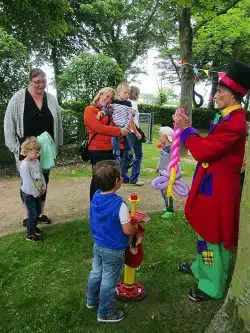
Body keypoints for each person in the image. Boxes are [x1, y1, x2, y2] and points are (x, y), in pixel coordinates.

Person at [176, 61, 250, 301]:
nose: (215, 94)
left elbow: (205, 152)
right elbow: (210, 145)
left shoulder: (235, 121)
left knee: (213, 237)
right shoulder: (228, 116)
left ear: (234, 95)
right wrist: (189, 131)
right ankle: (201, 268)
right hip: (213, 184)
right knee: (205, 233)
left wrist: (186, 130)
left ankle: (212, 285)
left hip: (219, 189)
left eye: (220, 91)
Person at [4, 68, 63, 226]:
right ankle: (27, 214)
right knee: (27, 182)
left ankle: (41, 212)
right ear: (30, 81)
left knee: (43, 180)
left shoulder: (50, 98)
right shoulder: (18, 98)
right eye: (37, 82)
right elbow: (9, 123)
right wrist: (15, 147)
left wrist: (59, 144)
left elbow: (58, 123)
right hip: (27, 149)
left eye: (44, 81)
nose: (41, 85)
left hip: (46, 150)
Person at [86, 160, 137, 323]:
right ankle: (105, 312)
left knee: (96, 273)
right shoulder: (119, 205)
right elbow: (127, 230)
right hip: (114, 249)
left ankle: (91, 301)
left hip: (98, 245)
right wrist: (135, 229)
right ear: (117, 182)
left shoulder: (96, 196)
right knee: (109, 280)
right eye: (121, 176)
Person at [84, 87, 129, 201]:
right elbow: (99, 128)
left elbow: (112, 126)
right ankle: (95, 204)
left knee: (108, 179)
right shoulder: (90, 110)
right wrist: (118, 131)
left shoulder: (108, 111)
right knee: (98, 178)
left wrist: (120, 134)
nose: (108, 100)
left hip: (110, 149)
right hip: (97, 150)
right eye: (107, 96)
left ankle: (105, 202)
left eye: (111, 98)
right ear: (100, 94)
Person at [97, 83, 141, 164]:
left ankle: (129, 154)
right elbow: (109, 110)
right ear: (119, 93)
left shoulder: (128, 103)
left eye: (128, 93)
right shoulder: (114, 102)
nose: (127, 95)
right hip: (117, 126)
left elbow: (130, 114)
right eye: (125, 93)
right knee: (115, 138)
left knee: (125, 141)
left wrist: (133, 113)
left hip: (124, 126)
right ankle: (118, 155)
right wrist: (102, 112)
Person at [20, 137, 46, 242]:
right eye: (36, 152)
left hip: (37, 192)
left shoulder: (36, 162)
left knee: (38, 211)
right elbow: (28, 183)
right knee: (32, 213)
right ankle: (30, 234)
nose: (38, 155)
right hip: (29, 193)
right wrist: (36, 193)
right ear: (27, 152)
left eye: (38, 152)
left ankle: (33, 228)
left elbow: (40, 175)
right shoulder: (25, 166)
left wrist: (43, 186)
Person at [122, 85, 144, 186]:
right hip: (133, 132)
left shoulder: (126, 103)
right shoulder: (133, 104)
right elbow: (132, 120)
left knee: (127, 154)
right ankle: (134, 178)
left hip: (127, 131)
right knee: (138, 154)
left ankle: (124, 177)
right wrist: (137, 132)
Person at [155, 126, 175, 218]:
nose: (159, 138)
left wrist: (172, 173)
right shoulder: (164, 146)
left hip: (168, 174)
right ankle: (166, 205)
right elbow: (161, 158)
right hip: (162, 172)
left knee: (167, 191)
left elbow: (175, 162)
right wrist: (158, 167)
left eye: (161, 136)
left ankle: (170, 210)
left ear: (166, 137)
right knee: (162, 191)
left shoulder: (172, 148)